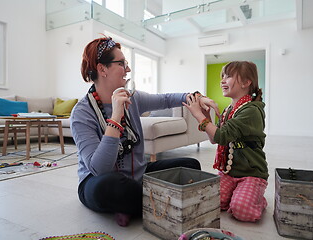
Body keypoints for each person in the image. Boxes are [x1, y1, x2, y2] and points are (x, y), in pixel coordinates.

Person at [70, 36, 202, 227]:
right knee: (114, 187)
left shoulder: (134, 97)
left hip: (138, 175)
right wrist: (115, 116)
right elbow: (99, 169)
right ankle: (154, 202)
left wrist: (195, 97)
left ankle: (133, 205)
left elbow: (165, 99)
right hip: (98, 181)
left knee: (190, 165)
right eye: (122, 63)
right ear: (102, 69)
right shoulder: (82, 113)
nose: (128, 69)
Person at [183, 61, 268, 222]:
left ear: (246, 82)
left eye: (228, 76)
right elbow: (216, 140)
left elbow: (221, 136)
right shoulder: (229, 109)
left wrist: (197, 115)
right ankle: (237, 193)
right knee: (212, 201)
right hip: (229, 172)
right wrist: (207, 118)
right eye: (223, 76)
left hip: (251, 173)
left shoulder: (251, 110)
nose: (222, 80)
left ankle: (257, 200)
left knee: (241, 210)